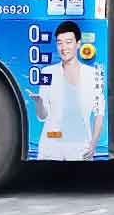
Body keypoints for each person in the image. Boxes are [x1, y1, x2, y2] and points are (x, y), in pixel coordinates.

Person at [28, 21, 103, 160]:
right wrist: (39, 103)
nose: (63, 48)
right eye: (59, 43)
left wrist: (93, 145)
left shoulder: (93, 74)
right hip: (52, 143)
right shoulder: (47, 72)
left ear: (78, 44)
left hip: (80, 146)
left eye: (68, 42)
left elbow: (99, 113)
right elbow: (42, 117)